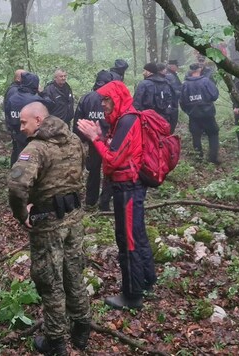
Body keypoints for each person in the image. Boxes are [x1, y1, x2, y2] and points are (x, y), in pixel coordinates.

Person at [8, 102, 90, 355]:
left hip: (48, 223)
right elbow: (81, 171)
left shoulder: (36, 148)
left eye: (24, 122)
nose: (21, 127)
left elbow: (16, 186)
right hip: (74, 217)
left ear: (39, 119)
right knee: (74, 272)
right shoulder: (74, 139)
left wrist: (22, 214)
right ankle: (82, 327)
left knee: (50, 280)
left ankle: (56, 341)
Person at [77, 81, 157, 310]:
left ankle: (132, 295)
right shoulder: (123, 120)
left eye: (107, 99)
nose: (103, 104)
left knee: (128, 239)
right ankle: (148, 279)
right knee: (138, 234)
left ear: (118, 98)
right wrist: (102, 137)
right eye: (102, 100)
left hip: (129, 189)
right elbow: (117, 153)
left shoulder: (128, 121)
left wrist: (95, 139)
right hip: (129, 187)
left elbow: (112, 159)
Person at [73, 70, 113, 211]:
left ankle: (91, 201)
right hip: (110, 141)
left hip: (93, 142)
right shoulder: (112, 98)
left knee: (94, 170)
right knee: (109, 171)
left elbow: (78, 120)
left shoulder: (87, 98)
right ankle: (104, 203)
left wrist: (80, 138)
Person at [4, 72, 48, 166]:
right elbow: (51, 104)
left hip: (16, 134)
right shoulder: (35, 99)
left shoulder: (13, 98)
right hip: (32, 136)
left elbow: (7, 114)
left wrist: (11, 130)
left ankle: (15, 174)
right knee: (29, 159)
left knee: (17, 155)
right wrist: (42, 93)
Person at [180, 63, 220, 164]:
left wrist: (188, 110)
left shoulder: (185, 84)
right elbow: (214, 95)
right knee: (213, 134)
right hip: (208, 114)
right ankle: (213, 158)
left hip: (193, 115)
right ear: (200, 69)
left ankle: (198, 158)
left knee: (196, 136)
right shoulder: (205, 81)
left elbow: (182, 101)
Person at [133, 62, 175, 127]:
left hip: (147, 120)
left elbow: (136, 103)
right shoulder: (166, 83)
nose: (143, 73)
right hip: (163, 120)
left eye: (144, 70)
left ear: (149, 72)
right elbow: (170, 101)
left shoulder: (143, 84)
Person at [166, 60, 182, 133]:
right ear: (172, 66)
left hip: (169, 103)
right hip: (172, 103)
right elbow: (175, 90)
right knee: (172, 123)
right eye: (177, 66)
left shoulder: (171, 74)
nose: (177, 68)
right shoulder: (170, 76)